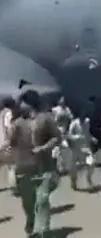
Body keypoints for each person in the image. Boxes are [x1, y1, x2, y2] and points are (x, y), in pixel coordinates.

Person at [4, 90, 60, 238]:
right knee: (28, 203)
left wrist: (44, 148)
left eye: (23, 102)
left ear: (30, 103)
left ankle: (43, 231)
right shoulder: (17, 123)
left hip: (44, 166)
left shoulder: (46, 119)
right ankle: (30, 219)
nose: (20, 105)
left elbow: (56, 137)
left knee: (42, 200)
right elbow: (9, 142)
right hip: (24, 167)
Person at [68, 111, 96, 191]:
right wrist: (77, 137)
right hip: (76, 149)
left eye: (84, 115)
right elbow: (69, 135)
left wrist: (92, 138)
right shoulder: (74, 123)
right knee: (74, 168)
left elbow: (87, 133)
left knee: (91, 163)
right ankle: (73, 181)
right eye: (82, 115)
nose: (83, 117)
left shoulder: (87, 121)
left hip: (86, 148)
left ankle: (89, 179)